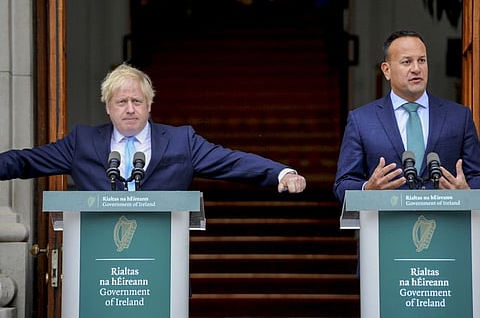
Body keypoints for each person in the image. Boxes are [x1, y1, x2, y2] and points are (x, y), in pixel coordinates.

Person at [0, 63, 306, 194]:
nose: (130, 109)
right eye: (121, 102)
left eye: (137, 100)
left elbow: (232, 161)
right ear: (107, 107)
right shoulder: (82, 142)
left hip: (162, 263)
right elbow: (26, 160)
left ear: (150, 104)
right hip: (101, 268)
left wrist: (282, 173)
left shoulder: (180, 141)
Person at [333, 30, 480, 204]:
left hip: (447, 224)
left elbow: (476, 174)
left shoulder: (459, 116)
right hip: (385, 226)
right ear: (386, 70)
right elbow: (342, 185)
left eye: (422, 60)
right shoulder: (362, 121)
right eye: (406, 62)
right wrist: (368, 189)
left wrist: (468, 192)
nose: (416, 69)